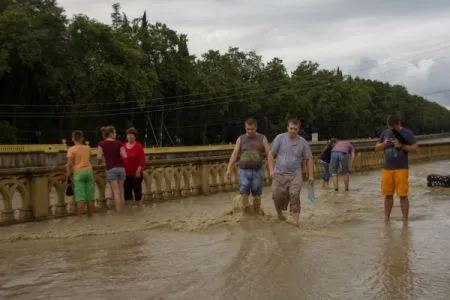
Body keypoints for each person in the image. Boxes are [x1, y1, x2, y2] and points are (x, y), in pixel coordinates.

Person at [268, 119, 314, 226]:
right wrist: (271, 170)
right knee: (276, 196)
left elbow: (309, 159)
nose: (293, 131)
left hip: (295, 175)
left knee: (294, 195)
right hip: (279, 173)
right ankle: (280, 213)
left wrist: (311, 175)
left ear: (299, 130)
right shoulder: (280, 138)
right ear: (287, 128)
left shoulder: (303, 142)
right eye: (291, 128)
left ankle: (295, 221)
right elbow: (271, 153)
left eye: (295, 129)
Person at [375, 115, 418, 221]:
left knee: (403, 195)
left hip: (401, 168)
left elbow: (415, 149)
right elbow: (376, 147)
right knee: (387, 195)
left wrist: (401, 146)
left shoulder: (408, 133)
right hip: (387, 168)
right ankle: (386, 219)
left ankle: (405, 220)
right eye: (391, 127)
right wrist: (384, 144)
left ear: (399, 123)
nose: (392, 129)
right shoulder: (385, 133)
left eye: (394, 126)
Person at [225, 118, 272, 214]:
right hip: (243, 170)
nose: (250, 131)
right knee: (244, 188)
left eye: (252, 129)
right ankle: (246, 213)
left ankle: (257, 212)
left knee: (256, 190)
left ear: (256, 128)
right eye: (248, 129)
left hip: (257, 170)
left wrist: (272, 169)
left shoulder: (262, 138)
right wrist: (229, 168)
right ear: (245, 128)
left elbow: (269, 153)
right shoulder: (241, 139)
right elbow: (234, 154)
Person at [97, 126, 127, 213]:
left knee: (115, 191)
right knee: (121, 190)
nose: (116, 134)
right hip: (121, 168)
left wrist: (103, 161)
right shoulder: (119, 143)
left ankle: (119, 212)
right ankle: (123, 210)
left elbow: (98, 157)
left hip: (111, 168)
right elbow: (125, 155)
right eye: (115, 132)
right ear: (110, 133)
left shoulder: (102, 144)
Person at [66, 130, 95, 217]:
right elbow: (90, 158)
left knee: (80, 198)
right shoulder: (88, 148)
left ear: (73, 139)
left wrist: (68, 175)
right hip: (89, 172)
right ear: (82, 138)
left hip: (78, 173)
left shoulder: (71, 149)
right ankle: (90, 217)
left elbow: (70, 164)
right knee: (90, 198)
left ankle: (79, 220)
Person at [123, 127, 146, 206]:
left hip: (136, 174)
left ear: (135, 136)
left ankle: (139, 208)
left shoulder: (139, 146)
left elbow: (142, 161)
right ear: (126, 136)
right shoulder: (123, 146)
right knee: (127, 193)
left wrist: (138, 171)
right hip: (126, 174)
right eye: (128, 135)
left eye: (132, 135)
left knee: (137, 192)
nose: (130, 137)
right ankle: (130, 213)